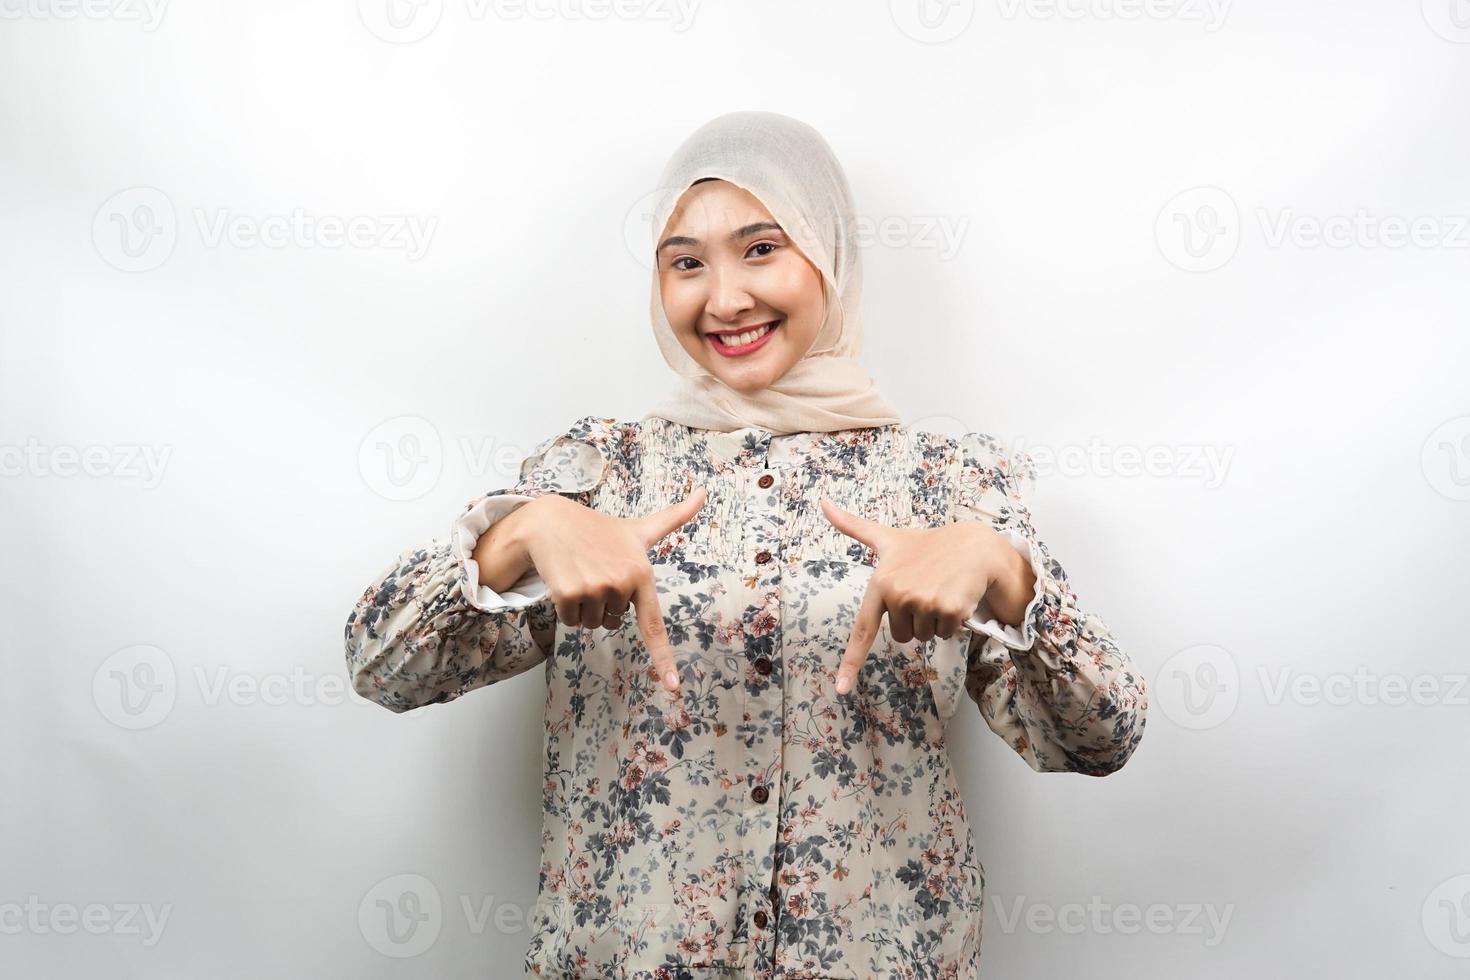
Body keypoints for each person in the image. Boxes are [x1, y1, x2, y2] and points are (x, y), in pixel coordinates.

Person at [345, 110, 1148, 979]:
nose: (724, 299)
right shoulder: (603, 472)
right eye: (686, 262)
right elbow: (383, 665)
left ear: (828, 253)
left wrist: (1006, 573)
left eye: (762, 248)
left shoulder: (945, 486)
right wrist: (520, 535)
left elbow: (1098, 740)